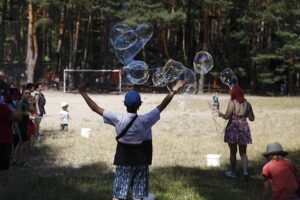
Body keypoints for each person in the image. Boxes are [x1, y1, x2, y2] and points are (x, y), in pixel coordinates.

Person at [79, 80, 186, 200]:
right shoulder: (146, 120)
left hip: (123, 161)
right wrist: (174, 89)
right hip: (141, 162)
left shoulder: (118, 119)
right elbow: (162, 105)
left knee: (118, 196)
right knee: (138, 196)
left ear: (124, 104)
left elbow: (95, 108)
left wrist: (83, 92)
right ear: (140, 104)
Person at [218, 86, 255, 181]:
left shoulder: (232, 102)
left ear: (233, 94)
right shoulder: (248, 104)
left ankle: (233, 172)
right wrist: (245, 114)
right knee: (243, 152)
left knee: (233, 152)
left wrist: (221, 114)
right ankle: (245, 173)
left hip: (233, 128)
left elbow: (227, 116)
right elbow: (252, 118)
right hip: (243, 128)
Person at [0, 93, 22, 196]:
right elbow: (17, 118)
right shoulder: (2, 108)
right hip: (3, 143)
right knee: (4, 175)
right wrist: (18, 105)